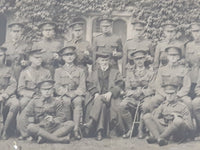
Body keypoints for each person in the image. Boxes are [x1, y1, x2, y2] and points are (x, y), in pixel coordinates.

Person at [84, 51, 123, 141]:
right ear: (98, 61)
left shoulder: (115, 72)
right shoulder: (93, 73)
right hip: (98, 96)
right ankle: (99, 131)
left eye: (106, 60)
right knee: (102, 104)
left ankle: (91, 121)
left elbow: (120, 84)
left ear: (109, 61)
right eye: (102, 60)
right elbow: (89, 84)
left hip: (111, 97)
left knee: (102, 101)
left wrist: (111, 92)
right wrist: (96, 93)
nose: (104, 62)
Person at [142, 45, 192, 114]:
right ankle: (153, 120)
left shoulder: (184, 70)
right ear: (167, 56)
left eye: (175, 55)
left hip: (178, 95)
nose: (173, 57)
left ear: (179, 57)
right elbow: (158, 85)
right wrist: (166, 95)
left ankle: (189, 122)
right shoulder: (162, 70)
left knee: (188, 102)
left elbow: (186, 86)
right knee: (153, 102)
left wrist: (177, 95)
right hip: (164, 94)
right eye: (171, 55)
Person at [143, 79, 194, 146]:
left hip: (177, 133)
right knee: (147, 116)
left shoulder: (183, 106)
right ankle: (160, 139)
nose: (169, 96)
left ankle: (158, 138)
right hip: (165, 128)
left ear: (176, 94)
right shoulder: (163, 105)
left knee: (178, 121)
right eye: (167, 93)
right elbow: (154, 118)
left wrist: (177, 117)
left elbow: (190, 126)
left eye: (172, 93)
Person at [119, 47, 155, 139]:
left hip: (145, 97)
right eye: (137, 59)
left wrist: (142, 92)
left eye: (141, 58)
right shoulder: (130, 72)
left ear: (145, 59)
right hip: (133, 97)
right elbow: (127, 89)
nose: (139, 61)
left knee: (146, 106)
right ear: (133, 60)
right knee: (122, 105)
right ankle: (131, 128)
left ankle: (140, 129)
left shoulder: (150, 72)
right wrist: (133, 93)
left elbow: (152, 88)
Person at [17, 48, 52, 140]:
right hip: (29, 96)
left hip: (43, 96)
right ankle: (24, 132)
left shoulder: (46, 72)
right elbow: (20, 89)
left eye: (40, 58)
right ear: (30, 59)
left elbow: (50, 87)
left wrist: (43, 95)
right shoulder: (25, 72)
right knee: (24, 102)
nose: (39, 60)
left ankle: (43, 131)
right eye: (36, 58)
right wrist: (32, 95)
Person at [54, 45, 86, 140]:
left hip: (76, 94)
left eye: (71, 54)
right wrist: (67, 93)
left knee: (78, 101)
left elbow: (82, 87)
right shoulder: (58, 71)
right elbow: (57, 86)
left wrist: (75, 93)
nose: (69, 57)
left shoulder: (80, 71)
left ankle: (76, 129)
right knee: (66, 101)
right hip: (64, 94)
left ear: (75, 56)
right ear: (63, 57)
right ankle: (68, 128)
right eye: (67, 55)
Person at [0, 47, 20, 140]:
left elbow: (13, 84)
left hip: (6, 96)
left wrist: (5, 94)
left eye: (0, 55)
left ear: (4, 57)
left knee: (15, 104)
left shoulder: (9, 69)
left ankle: (5, 130)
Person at [185, 23, 200, 99]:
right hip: (192, 76)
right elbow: (187, 61)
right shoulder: (189, 45)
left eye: (198, 31)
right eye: (194, 31)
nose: (196, 34)